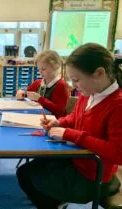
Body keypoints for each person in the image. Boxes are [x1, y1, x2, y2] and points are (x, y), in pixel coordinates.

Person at [16, 43, 122, 209]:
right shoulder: (89, 93)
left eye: (76, 80)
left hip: (93, 175)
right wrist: (59, 122)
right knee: (27, 171)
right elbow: (75, 116)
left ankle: (55, 203)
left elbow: (118, 153)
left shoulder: (117, 105)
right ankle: (56, 202)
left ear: (99, 73)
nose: (73, 86)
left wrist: (71, 135)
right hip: (77, 159)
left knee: (27, 176)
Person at [16, 50, 70, 118]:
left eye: (43, 69)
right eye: (39, 69)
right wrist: (21, 93)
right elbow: (26, 93)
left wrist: (40, 99)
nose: (40, 72)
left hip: (53, 122)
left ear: (56, 66)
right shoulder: (38, 83)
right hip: (38, 118)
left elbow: (59, 111)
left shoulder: (61, 85)